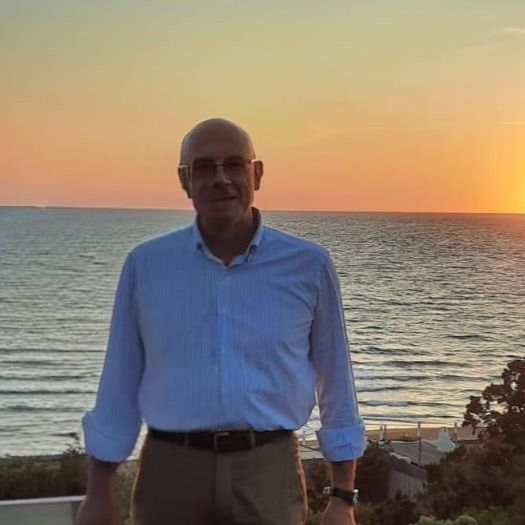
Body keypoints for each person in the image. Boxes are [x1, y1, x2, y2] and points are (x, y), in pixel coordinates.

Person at [75, 118, 366, 525]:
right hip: (170, 472)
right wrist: (98, 493)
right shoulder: (147, 265)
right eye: (204, 167)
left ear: (257, 174)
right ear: (184, 180)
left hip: (268, 471)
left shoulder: (308, 266)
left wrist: (342, 497)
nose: (220, 179)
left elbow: (335, 380)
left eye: (233, 164)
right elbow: (119, 381)